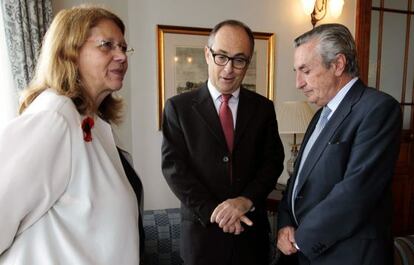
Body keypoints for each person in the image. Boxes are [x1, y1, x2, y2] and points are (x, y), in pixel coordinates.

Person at [0, 5, 144, 265]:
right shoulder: (53, 118)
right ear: (69, 51)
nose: (121, 56)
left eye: (123, 47)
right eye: (106, 45)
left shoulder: (95, 124)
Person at [161, 19, 285, 265]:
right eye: (221, 57)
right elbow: (175, 170)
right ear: (207, 55)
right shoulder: (179, 107)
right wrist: (215, 213)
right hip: (202, 239)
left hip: (251, 239)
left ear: (247, 63)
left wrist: (245, 200)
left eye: (239, 60)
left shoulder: (263, 108)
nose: (229, 69)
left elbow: (272, 163)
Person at [277, 23, 402, 265]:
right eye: (296, 71)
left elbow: (356, 192)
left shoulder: (377, 109)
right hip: (307, 251)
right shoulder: (320, 114)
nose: (298, 83)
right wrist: (285, 224)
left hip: (348, 255)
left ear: (338, 64)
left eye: (305, 70)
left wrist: (300, 239)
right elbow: (297, 182)